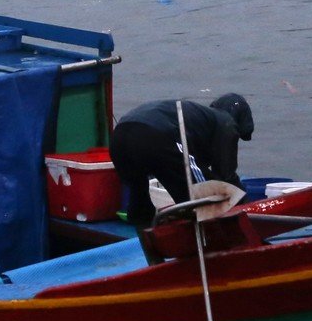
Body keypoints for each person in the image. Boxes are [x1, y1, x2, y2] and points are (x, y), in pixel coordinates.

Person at [108, 94, 253, 226]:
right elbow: (226, 177)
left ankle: (148, 242)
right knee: (205, 199)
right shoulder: (225, 121)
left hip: (119, 138)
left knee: (139, 198)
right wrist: (247, 206)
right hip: (155, 136)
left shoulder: (199, 117)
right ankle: (212, 242)